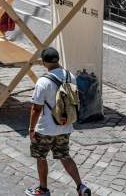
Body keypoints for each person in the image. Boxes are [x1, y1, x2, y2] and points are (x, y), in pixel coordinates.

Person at [25, 47, 91, 196]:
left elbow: (36, 109)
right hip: (65, 126)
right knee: (65, 156)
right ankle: (81, 186)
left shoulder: (43, 82)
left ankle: (43, 190)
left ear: (44, 62)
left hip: (45, 128)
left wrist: (31, 129)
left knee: (41, 157)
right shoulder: (70, 76)